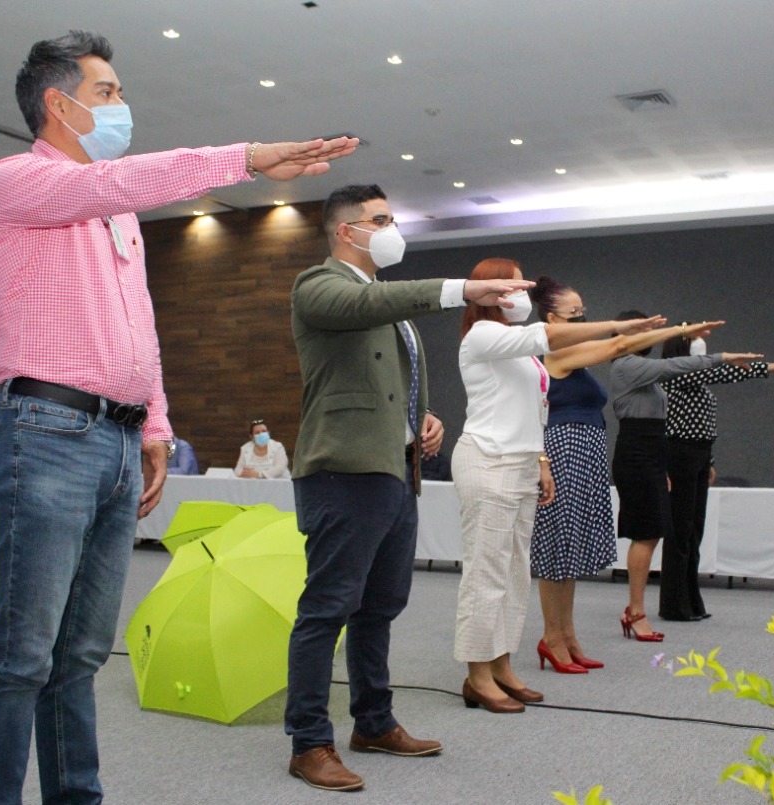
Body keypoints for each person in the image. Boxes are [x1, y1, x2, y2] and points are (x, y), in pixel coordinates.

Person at [0, 30, 357, 805]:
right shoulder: (16, 181)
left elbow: (139, 324)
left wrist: (154, 426)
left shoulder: (115, 217)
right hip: (45, 431)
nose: (122, 104)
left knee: (81, 655)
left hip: (115, 438)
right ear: (59, 104)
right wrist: (250, 157)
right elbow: (126, 180)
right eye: (107, 92)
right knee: (22, 657)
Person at [286, 184, 532, 791]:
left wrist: (421, 417)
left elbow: (390, 381)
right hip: (342, 471)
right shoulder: (319, 286)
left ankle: (373, 722)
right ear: (346, 230)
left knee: (379, 607)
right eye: (381, 219)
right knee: (327, 609)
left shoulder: (381, 298)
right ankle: (309, 742)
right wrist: (463, 290)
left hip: (395, 471)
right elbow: (365, 309)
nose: (392, 229)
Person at [454, 261, 662, 709]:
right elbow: (549, 337)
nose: (521, 293)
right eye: (512, 285)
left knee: (513, 576)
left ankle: (502, 667)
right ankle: (477, 676)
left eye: (523, 285)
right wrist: (621, 327)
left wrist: (541, 461)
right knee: (486, 575)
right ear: (486, 292)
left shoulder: (520, 347)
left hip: (521, 462)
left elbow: (537, 408)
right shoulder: (485, 335)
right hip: (488, 460)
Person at [527, 277, 711, 672]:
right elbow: (618, 346)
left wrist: (667, 332)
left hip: (585, 449)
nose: (583, 318)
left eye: (583, 311)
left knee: (571, 551)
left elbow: (619, 345)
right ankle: (552, 638)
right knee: (558, 550)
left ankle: (568, 636)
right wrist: (677, 331)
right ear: (552, 319)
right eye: (575, 314)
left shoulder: (575, 352)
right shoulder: (556, 349)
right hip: (564, 450)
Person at [609, 311, 760, 634]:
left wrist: (662, 464)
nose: (649, 336)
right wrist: (720, 355)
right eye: (643, 330)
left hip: (651, 451)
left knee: (652, 533)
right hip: (636, 451)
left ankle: (635, 609)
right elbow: (674, 366)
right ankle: (635, 612)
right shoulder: (626, 365)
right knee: (645, 533)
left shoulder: (641, 368)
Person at [659, 330, 774, 621]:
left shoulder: (697, 382)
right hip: (680, 453)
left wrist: (709, 461)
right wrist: (764, 369)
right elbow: (721, 373)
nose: (703, 357)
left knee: (694, 529)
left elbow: (705, 422)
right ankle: (674, 604)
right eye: (697, 351)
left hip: (699, 454)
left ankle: (691, 600)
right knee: (681, 530)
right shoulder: (674, 376)